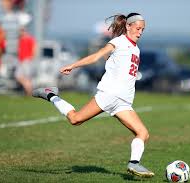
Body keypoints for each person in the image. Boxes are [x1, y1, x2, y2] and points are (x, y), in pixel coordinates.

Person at [32, 13, 154, 178]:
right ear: (128, 26)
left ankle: (134, 164)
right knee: (75, 119)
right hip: (110, 94)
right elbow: (97, 56)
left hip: (123, 102)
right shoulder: (118, 42)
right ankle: (51, 95)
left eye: (143, 30)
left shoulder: (136, 49)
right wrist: (73, 65)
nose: (140, 32)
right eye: (138, 28)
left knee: (143, 133)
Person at [15, 27, 36, 96]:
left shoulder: (29, 39)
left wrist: (31, 57)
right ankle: (28, 91)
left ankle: (29, 92)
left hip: (26, 60)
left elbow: (34, 48)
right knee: (19, 76)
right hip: (21, 60)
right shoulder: (20, 39)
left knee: (26, 77)